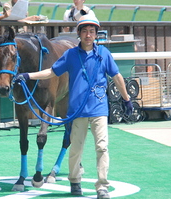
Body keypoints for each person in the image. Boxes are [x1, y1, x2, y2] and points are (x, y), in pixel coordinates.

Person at [15, 14, 133, 199]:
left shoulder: (104, 54)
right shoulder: (70, 55)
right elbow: (51, 72)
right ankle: (75, 181)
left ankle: (102, 186)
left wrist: (127, 99)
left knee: (102, 147)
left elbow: (117, 77)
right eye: (84, 31)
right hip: (77, 111)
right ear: (79, 33)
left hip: (99, 109)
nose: (88, 35)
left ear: (96, 34)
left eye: (92, 31)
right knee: (76, 149)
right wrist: (29, 76)